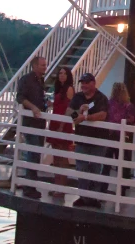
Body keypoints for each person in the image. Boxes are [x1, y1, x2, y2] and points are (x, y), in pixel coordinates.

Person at [69, 73, 112, 206]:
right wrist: (79, 111)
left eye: (87, 82)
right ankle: (83, 197)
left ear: (93, 83)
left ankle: (93, 198)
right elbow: (68, 112)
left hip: (98, 139)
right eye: (82, 83)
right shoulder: (78, 97)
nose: (84, 85)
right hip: (81, 138)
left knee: (95, 168)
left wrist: (86, 118)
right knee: (81, 168)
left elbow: (103, 115)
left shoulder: (101, 98)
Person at [15, 55, 49, 199]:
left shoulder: (41, 81)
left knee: (36, 154)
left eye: (45, 65)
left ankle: (31, 185)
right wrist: (33, 107)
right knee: (32, 153)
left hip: (40, 123)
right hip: (30, 122)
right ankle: (29, 187)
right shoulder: (26, 80)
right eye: (42, 65)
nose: (45, 67)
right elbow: (20, 97)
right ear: (34, 66)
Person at [106, 82, 135, 192]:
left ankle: (102, 188)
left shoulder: (109, 104)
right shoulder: (129, 106)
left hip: (110, 135)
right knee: (123, 164)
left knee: (106, 163)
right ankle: (122, 189)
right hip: (124, 137)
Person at [47, 66, 76, 196]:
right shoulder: (59, 89)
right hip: (55, 121)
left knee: (62, 155)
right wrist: (51, 104)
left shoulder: (69, 89)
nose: (62, 75)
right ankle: (56, 185)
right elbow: (59, 105)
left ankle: (62, 188)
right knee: (56, 156)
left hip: (63, 124)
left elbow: (69, 108)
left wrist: (62, 125)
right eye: (60, 73)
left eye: (64, 73)